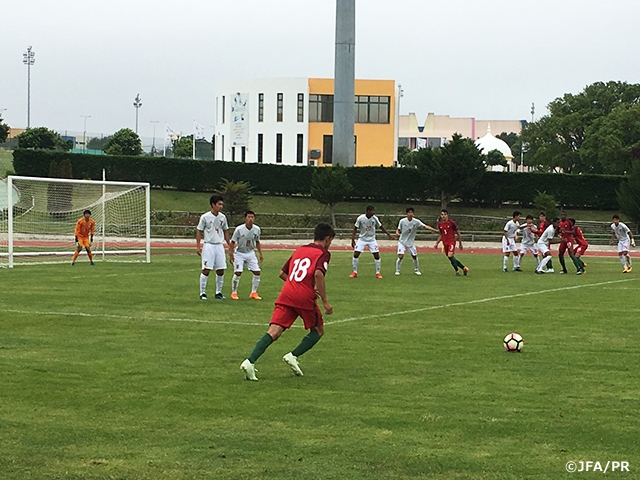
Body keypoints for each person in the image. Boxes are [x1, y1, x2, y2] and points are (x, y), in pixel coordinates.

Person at [240, 223, 335, 381]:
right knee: (318, 331)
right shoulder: (323, 253)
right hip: (304, 297)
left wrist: (295, 284)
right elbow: (318, 274)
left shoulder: (300, 250)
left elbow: (283, 273)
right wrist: (325, 300)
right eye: (330, 241)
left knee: (274, 331)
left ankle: (249, 362)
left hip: (286, 294)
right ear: (326, 239)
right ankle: (293, 356)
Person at [196, 195, 232, 300]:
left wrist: (230, 245)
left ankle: (218, 292)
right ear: (213, 205)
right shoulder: (205, 217)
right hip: (209, 245)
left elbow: (225, 231)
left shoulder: (222, 217)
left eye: (222, 204)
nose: (221, 206)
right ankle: (202, 293)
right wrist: (198, 246)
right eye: (219, 204)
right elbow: (199, 231)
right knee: (206, 269)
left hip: (219, 245)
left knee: (220, 269)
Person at [350, 205, 393, 278]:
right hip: (362, 239)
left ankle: (378, 273)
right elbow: (355, 228)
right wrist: (353, 239)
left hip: (372, 239)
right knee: (356, 254)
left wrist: (388, 235)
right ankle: (354, 272)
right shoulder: (360, 218)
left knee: (376, 255)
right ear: (368, 211)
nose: (373, 212)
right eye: (372, 211)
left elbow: (381, 227)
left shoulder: (375, 218)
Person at [229, 210, 264, 300]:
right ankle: (234, 293)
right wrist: (231, 254)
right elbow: (232, 242)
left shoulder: (257, 229)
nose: (250, 219)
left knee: (257, 272)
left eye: (252, 217)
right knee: (238, 272)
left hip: (250, 253)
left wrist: (260, 253)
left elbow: (257, 241)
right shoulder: (239, 229)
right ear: (245, 218)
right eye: (248, 217)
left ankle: (254, 292)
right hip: (239, 253)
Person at [395, 207, 438, 275]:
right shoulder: (402, 221)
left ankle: (416, 270)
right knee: (400, 256)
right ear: (406, 214)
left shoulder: (416, 221)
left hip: (410, 243)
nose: (410, 214)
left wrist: (435, 231)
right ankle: (397, 270)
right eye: (409, 212)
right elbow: (398, 229)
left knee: (414, 256)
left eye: (411, 212)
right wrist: (397, 233)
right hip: (402, 242)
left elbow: (425, 226)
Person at [434, 209, 469, 276]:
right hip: (445, 243)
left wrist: (460, 243)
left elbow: (458, 233)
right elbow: (441, 234)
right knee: (450, 257)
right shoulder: (440, 224)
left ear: (447, 215)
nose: (443, 216)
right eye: (442, 214)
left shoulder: (452, 223)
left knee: (450, 255)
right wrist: (437, 243)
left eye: (445, 214)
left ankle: (457, 271)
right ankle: (463, 268)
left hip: (451, 242)